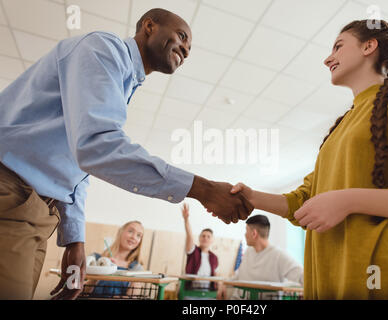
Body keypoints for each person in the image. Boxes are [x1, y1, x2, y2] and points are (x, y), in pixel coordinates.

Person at [0, 8, 253, 300]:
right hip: (10, 193)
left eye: (190, 46)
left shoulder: (124, 84)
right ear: (149, 25)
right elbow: (97, 147)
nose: (185, 48)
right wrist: (204, 189)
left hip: (39, 211)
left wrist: (74, 240)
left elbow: (76, 164)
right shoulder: (102, 49)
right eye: (182, 36)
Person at [231, 20, 388, 299]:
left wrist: (348, 201)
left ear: (369, 46)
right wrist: (251, 198)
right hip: (330, 280)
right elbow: (305, 200)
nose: (327, 58)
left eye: (338, 46)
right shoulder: (337, 132)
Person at [217, 215, 303, 300]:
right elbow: (239, 275)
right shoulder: (248, 251)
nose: (245, 234)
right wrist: (224, 283)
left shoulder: (278, 255)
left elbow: (302, 276)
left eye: (246, 231)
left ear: (254, 234)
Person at [84, 221, 145, 298]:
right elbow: (83, 291)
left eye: (139, 235)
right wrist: (100, 270)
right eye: (130, 231)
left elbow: (132, 297)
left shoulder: (137, 268)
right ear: (120, 232)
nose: (134, 237)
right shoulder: (94, 259)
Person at [181, 202, 218, 294]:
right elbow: (189, 235)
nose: (205, 238)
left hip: (208, 293)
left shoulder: (214, 257)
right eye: (203, 236)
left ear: (212, 240)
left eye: (208, 236)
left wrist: (221, 288)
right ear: (199, 238)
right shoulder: (193, 251)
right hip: (191, 291)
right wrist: (186, 219)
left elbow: (216, 275)